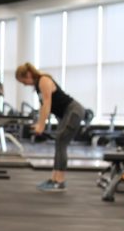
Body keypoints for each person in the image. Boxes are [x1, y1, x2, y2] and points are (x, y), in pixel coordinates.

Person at [16, 63, 85, 192]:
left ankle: (60, 180)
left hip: (73, 111)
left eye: (23, 81)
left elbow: (47, 104)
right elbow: (44, 107)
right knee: (59, 142)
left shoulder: (44, 80)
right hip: (66, 114)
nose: (24, 84)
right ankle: (54, 179)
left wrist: (41, 125)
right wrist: (39, 123)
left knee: (61, 141)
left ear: (29, 74)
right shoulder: (38, 85)